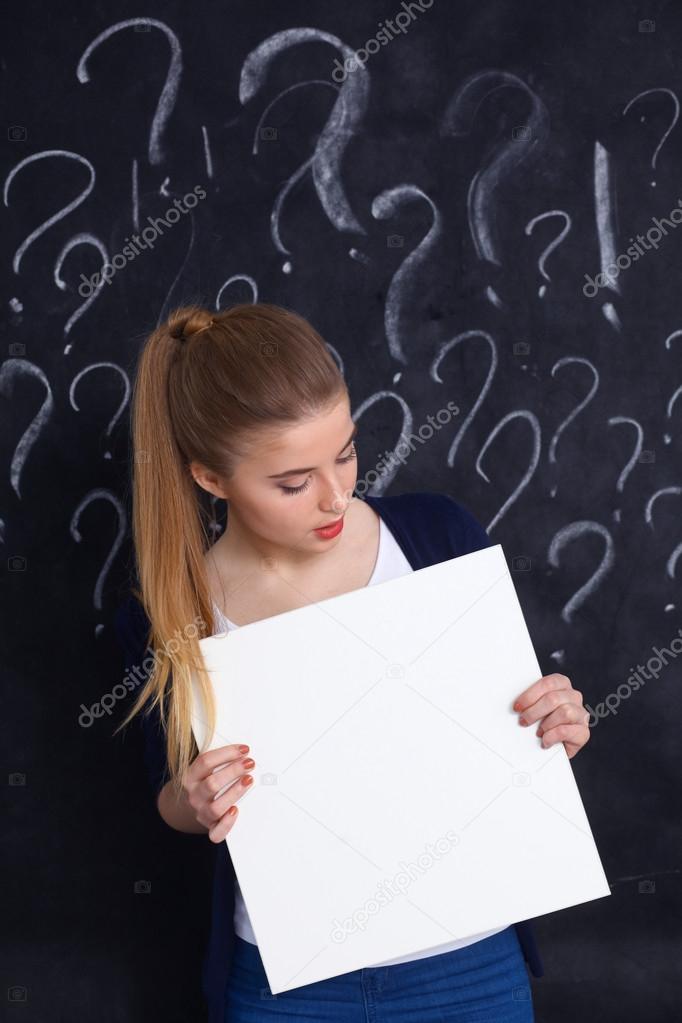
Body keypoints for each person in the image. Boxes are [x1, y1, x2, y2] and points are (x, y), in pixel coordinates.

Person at [114, 302, 590, 1022]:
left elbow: (512, 723)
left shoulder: (438, 534)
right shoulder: (170, 616)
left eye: (345, 453)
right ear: (212, 479)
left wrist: (557, 723)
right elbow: (167, 796)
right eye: (293, 481)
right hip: (289, 985)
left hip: (469, 966)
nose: (337, 494)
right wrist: (193, 798)